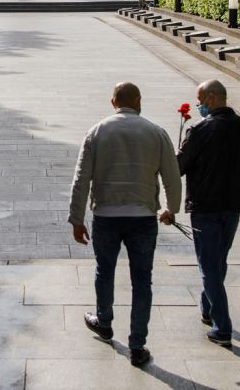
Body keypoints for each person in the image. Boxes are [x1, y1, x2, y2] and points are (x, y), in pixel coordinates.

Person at [69, 82, 181, 368]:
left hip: (106, 215)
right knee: (142, 280)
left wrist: (77, 218)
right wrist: (171, 209)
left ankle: (104, 322)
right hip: (143, 216)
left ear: (113, 102)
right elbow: (171, 176)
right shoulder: (156, 132)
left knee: (104, 271)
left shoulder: (97, 131)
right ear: (138, 100)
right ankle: (137, 345)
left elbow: (82, 178)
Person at [177, 79, 240, 346]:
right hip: (233, 203)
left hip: (206, 206)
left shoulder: (200, 130)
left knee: (209, 266)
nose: (198, 105)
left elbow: (180, 167)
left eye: (199, 100)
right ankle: (208, 309)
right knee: (218, 260)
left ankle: (223, 328)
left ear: (211, 98)